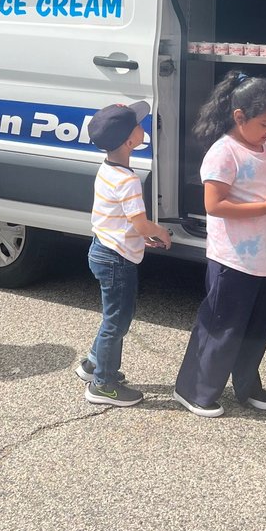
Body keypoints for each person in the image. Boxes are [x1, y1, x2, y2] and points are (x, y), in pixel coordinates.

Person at [173, 73, 266, 417]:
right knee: (221, 326)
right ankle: (193, 388)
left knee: (257, 327)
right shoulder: (223, 153)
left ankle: (247, 385)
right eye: (265, 123)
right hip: (231, 257)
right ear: (239, 117)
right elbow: (214, 205)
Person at [79, 102, 172, 407]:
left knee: (112, 317)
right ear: (130, 140)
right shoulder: (128, 180)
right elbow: (140, 223)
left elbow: (119, 220)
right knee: (117, 322)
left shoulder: (108, 170)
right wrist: (160, 232)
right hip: (117, 260)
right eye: (138, 123)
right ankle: (102, 385)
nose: (143, 124)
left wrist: (141, 237)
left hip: (103, 249)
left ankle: (93, 363)